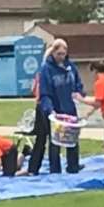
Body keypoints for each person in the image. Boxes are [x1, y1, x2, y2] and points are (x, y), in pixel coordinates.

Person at [25, 39, 84, 176]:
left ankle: (73, 167)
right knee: (54, 141)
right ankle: (55, 171)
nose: (61, 57)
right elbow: (45, 93)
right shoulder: (47, 69)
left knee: (72, 139)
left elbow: (78, 84)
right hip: (53, 110)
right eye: (59, 54)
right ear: (53, 52)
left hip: (70, 109)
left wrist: (78, 95)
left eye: (64, 54)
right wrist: (50, 110)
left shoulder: (70, 67)